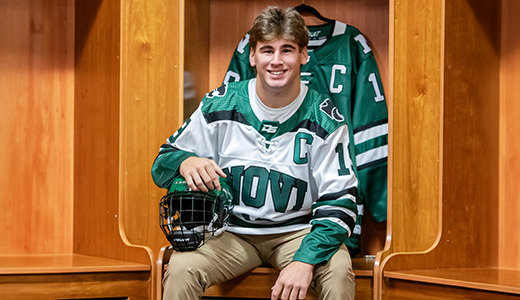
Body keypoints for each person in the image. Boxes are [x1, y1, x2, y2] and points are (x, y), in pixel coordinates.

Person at [151, 6, 358, 300]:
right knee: (182, 268)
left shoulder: (326, 118)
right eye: (266, 50)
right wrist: (186, 160)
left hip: (298, 234)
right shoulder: (220, 104)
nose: (276, 61)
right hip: (228, 233)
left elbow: (341, 203)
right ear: (252, 56)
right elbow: (161, 163)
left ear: (303, 55)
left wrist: (304, 260)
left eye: (287, 50)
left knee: (337, 271)